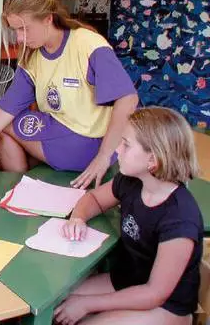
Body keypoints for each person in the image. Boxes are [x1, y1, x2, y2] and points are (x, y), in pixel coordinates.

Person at [0, 0, 138, 189]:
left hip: (88, 145)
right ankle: (24, 185)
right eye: (15, 30)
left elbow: (128, 98)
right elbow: (6, 108)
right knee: (0, 122)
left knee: (2, 129)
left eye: (24, 29)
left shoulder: (89, 44)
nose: (19, 38)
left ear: (48, 18)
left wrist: (103, 157)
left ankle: (18, 188)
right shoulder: (35, 56)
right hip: (63, 133)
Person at [55, 107, 202, 325]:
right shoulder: (131, 181)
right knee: (57, 305)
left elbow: (154, 294)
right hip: (127, 282)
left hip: (165, 307)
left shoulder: (179, 219)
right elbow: (93, 199)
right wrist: (78, 217)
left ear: (153, 160)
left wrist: (87, 304)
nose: (117, 150)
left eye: (126, 144)